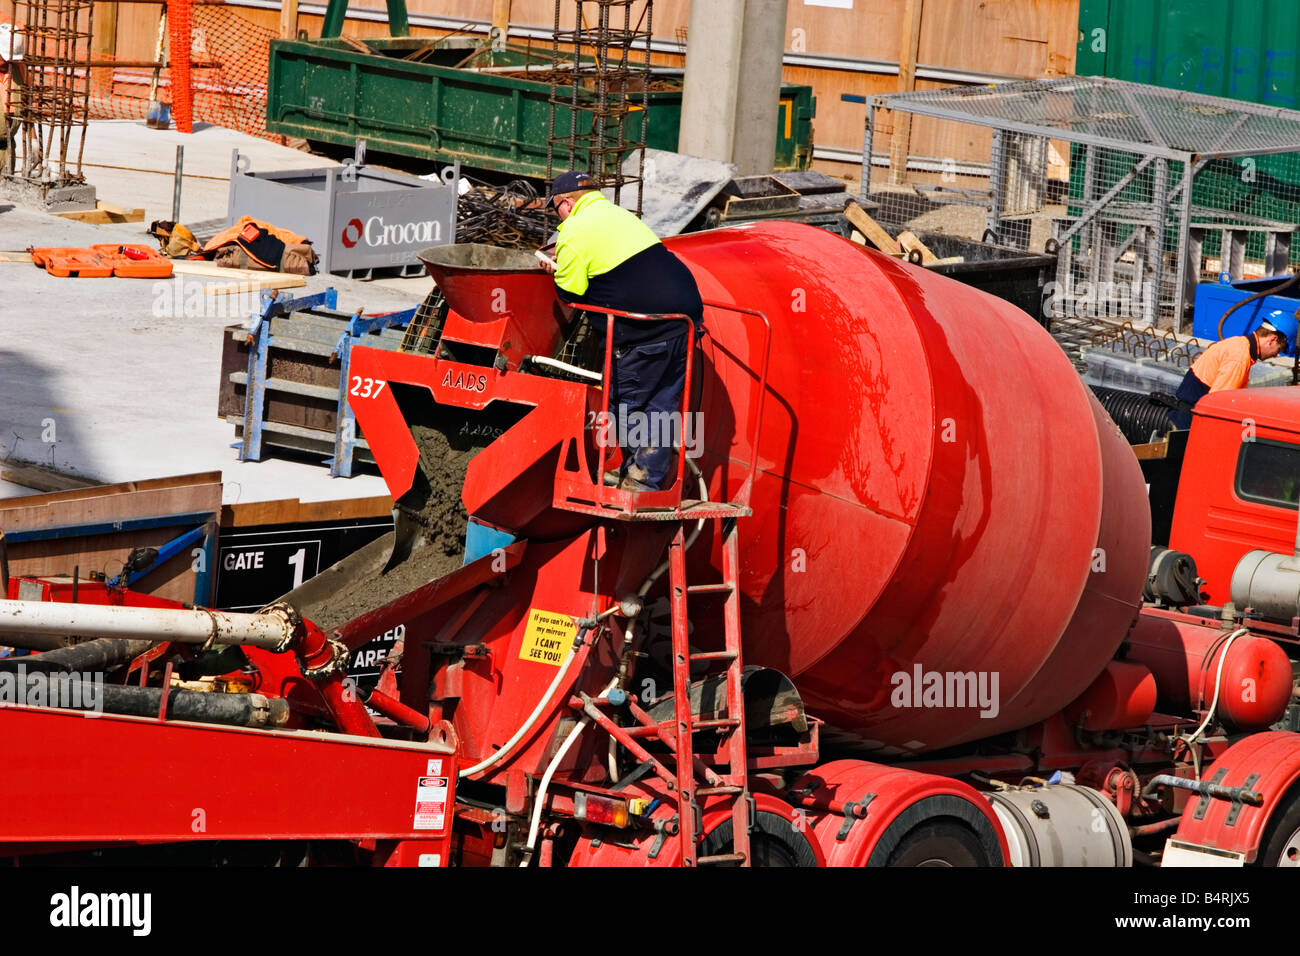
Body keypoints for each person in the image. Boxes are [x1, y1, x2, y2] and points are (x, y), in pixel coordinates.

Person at [543, 170, 704, 492]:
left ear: (566, 204)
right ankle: (643, 478)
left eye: (555, 209)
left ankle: (637, 478)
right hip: (685, 323)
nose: (557, 217)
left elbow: (571, 293)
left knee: (624, 405)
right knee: (660, 408)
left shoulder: (575, 228)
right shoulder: (620, 216)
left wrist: (554, 268)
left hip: (642, 330)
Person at [1165, 312, 1294, 429]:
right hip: (1188, 423)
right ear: (1272, 339)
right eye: (1279, 350)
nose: (1276, 355)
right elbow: (1218, 405)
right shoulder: (1240, 358)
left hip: (1186, 415)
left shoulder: (1239, 344)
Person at [0, 22, 24, 177]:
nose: (7, 62)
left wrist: (34, 141)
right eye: (4, 58)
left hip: (8, 149)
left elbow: (28, 105)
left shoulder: (18, 69)